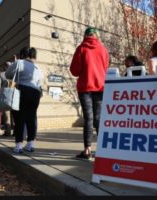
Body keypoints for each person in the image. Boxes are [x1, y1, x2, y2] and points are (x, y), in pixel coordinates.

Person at [70, 27, 109, 159]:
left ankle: (87, 150)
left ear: (85, 36)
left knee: (89, 119)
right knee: (98, 118)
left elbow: (74, 71)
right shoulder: (103, 50)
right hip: (100, 87)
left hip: (85, 88)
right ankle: (103, 149)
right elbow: (105, 69)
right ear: (96, 36)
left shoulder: (81, 48)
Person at [5, 47, 43, 153]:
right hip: (35, 93)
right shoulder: (37, 67)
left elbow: (7, 74)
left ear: (21, 55)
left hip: (22, 91)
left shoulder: (19, 62)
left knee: (19, 118)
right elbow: (40, 82)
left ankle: (18, 145)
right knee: (31, 118)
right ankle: (30, 144)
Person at [0, 63, 13, 136]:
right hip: (14, 96)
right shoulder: (14, 74)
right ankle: (16, 132)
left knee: (7, 115)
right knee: (15, 115)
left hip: (5, 97)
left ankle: (8, 131)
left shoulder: (1, 74)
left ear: (5, 67)